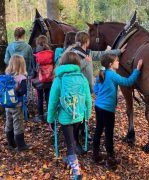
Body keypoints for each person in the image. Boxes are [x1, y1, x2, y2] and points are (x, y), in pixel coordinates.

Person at [72, 31, 127, 154]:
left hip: (86, 89)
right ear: (86, 41)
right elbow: (73, 69)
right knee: (78, 113)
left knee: (85, 112)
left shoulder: (88, 52)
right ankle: (76, 141)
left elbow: (103, 54)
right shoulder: (74, 54)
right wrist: (86, 61)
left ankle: (84, 132)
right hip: (77, 89)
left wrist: (118, 51)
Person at [47, 52, 92, 180]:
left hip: (65, 118)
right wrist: (87, 115)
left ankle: (76, 172)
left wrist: (50, 119)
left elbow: (53, 101)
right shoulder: (82, 78)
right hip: (79, 117)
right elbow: (88, 99)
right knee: (73, 139)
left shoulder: (59, 79)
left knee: (70, 143)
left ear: (63, 63)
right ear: (77, 63)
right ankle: (69, 158)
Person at [93, 54, 143, 168]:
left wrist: (102, 96)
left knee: (98, 130)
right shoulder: (112, 75)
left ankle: (95, 155)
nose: (118, 63)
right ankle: (110, 158)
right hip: (107, 110)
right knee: (109, 133)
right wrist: (137, 70)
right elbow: (127, 82)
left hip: (98, 106)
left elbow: (95, 89)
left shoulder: (101, 73)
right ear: (111, 64)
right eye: (117, 61)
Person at [4, 55, 30, 152]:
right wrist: (18, 93)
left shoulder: (6, 75)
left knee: (9, 122)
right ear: (22, 65)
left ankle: (11, 143)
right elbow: (23, 91)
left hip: (7, 104)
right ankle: (21, 145)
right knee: (18, 123)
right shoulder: (21, 78)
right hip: (16, 105)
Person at [32, 36, 54, 122]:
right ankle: (49, 115)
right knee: (48, 97)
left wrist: (32, 77)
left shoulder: (35, 55)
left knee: (40, 98)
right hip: (50, 79)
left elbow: (34, 69)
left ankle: (40, 116)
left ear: (37, 43)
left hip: (39, 80)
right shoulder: (52, 53)